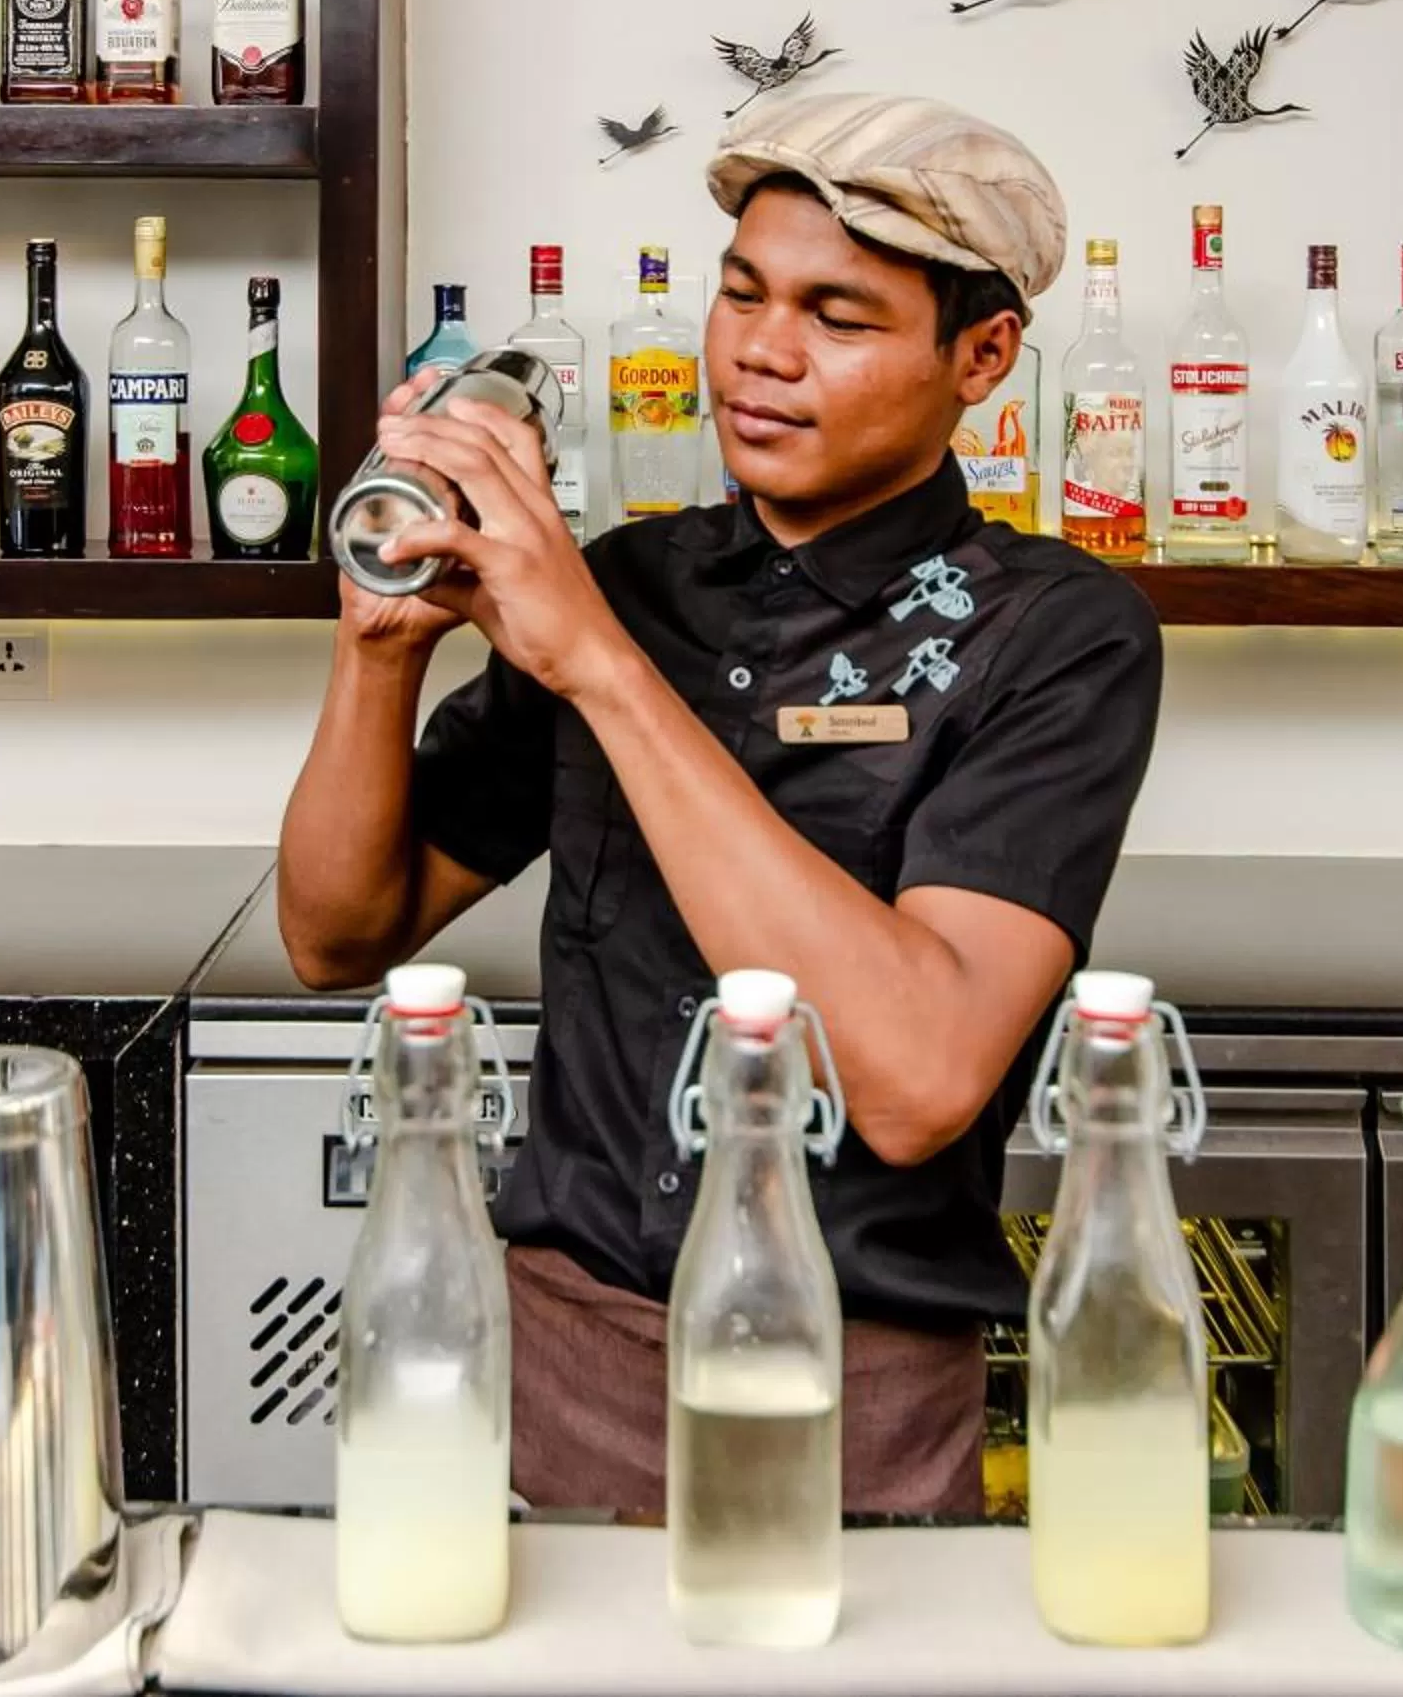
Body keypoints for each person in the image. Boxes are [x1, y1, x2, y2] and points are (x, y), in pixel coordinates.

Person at [278, 91, 1163, 1514]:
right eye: (742, 293)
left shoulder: (1055, 636)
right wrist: (374, 646)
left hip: (847, 1397)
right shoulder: (627, 584)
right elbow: (336, 930)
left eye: (840, 315)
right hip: (552, 1364)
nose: (762, 350)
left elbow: (920, 1073)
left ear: (983, 354)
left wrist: (601, 669)